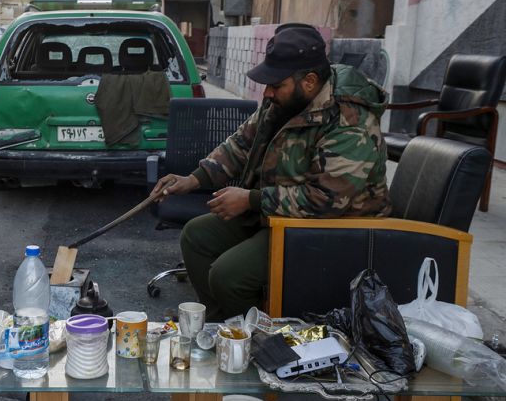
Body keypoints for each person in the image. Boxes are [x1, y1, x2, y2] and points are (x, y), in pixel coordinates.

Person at [152, 24, 391, 321]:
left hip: (330, 229)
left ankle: (260, 341)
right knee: (196, 236)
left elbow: (328, 201)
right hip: (279, 215)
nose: (268, 92)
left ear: (310, 81)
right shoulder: (282, 101)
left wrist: (251, 200)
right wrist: (194, 179)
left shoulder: (349, 119)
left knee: (229, 275)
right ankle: (220, 326)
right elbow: (241, 144)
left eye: (276, 85)